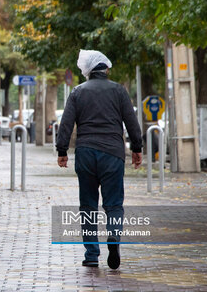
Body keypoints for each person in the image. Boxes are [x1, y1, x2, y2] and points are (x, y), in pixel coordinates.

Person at [56, 50, 142, 269]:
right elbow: (131, 122)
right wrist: (137, 148)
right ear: (106, 69)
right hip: (113, 153)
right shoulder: (119, 91)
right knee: (113, 204)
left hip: (85, 153)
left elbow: (66, 123)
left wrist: (62, 151)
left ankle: (92, 255)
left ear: (88, 71)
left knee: (88, 205)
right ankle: (113, 236)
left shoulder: (77, 92)